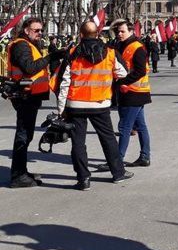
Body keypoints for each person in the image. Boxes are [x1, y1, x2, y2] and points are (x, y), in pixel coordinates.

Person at [55, 20, 133, 190]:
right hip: (100, 103)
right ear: (97, 34)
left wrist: (61, 109)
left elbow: (63, 83)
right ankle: (118, 173)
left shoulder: (72, 53)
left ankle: (83, 179)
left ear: (81, 35)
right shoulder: (110, 52)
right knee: (108, 138)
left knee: (78, 143)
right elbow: (123, 72)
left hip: (76, 104)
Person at [7, 17, 66, 188]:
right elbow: (30, 68)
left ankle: (21, 172)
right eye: (36, 30)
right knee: (23, 135)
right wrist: (51, 56)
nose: (40, 33)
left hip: (30, 96)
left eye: (41, 30)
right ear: (26, 30)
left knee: (26, 135)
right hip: (25, 96)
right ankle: (18, 176)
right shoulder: (21, 45)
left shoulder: (29, 44)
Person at [110, 19, 152, 167]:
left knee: (125, 127)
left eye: (123, 31)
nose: (119, 34)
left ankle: (117, 160)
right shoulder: (120, 45)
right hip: (132, 92)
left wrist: (122, 81)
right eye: (118, 32)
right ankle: (145, 156)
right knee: (140, 126)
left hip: (133, 92)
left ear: (131, 31)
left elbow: (141, 71)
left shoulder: (137, 47)